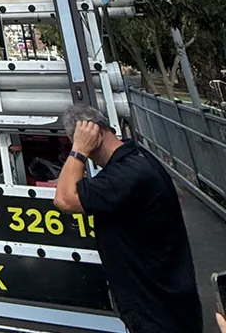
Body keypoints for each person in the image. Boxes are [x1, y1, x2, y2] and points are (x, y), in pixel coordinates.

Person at [52, 105, 202, 333]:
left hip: (156, 309)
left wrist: (78, 151)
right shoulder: (139, 158)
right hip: (169, 300)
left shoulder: (126, 175)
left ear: (94, 133)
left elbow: (64, 199)